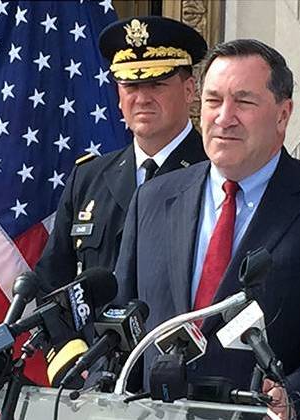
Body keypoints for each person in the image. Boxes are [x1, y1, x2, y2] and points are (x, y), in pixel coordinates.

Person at [113, 39, 300, 419]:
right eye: (213, 100)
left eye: (243, 102)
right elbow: (120, 320)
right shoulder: (153, 199)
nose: (224, 117)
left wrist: (294, 396)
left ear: (283, 114)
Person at [35, 16, 209, 293]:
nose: (142, 98)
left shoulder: (215, 170)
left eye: (157, 85)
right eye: (131, 86)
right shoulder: (89, 177)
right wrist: (70, 338)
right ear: (118, 95)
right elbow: (52, 281)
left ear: (189, 90)